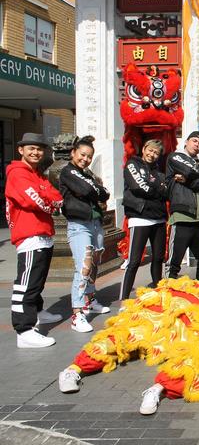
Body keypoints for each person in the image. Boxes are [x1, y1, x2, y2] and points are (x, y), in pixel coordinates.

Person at [6, 133, 64, 348]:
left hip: (42, 232)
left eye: (39, 149)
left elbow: (55, 195)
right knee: (26, 283)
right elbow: (34, 201)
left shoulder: (36, 174)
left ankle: (38, 311)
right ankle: (24, 329)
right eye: (31, 148)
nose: (36, 152)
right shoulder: (18, 174)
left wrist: (50, 201)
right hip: (29, 233)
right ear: (20, 150)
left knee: (37, 279)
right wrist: (50, 205)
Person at [59, 136, 111, 333]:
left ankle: (89, 299)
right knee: (84, 266)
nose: (86, 159)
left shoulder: (86, 173)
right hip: (78, 224)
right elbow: (87, 188)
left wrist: (94, 190)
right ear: (73, 153)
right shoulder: (68, 171)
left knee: (95, 262)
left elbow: (103, 192)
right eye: (82, 155)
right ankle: (77, 313)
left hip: (95, 222)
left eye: (89, 156)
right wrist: (94, 189)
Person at [120, 139, 167, 301]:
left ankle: (158, 290)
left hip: (159, 219)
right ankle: (124, 298)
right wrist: (157, 189)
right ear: (144, 148)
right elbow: (139, 187)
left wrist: (157, 188)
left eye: (156, 153)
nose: (152, 155)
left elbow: (165, 190)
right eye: (150, 150)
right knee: (133, 261)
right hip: (139, 218)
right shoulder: (132, 164)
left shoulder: (159, 172)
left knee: (158, 258)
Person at [165, 131, 199, 281]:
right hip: (182, 217)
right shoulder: (175, 156)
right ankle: (168, 294)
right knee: (174, 263)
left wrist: (187, 180)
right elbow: (188, 170)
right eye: (194, 141)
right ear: (186, 142)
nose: (197, 145)